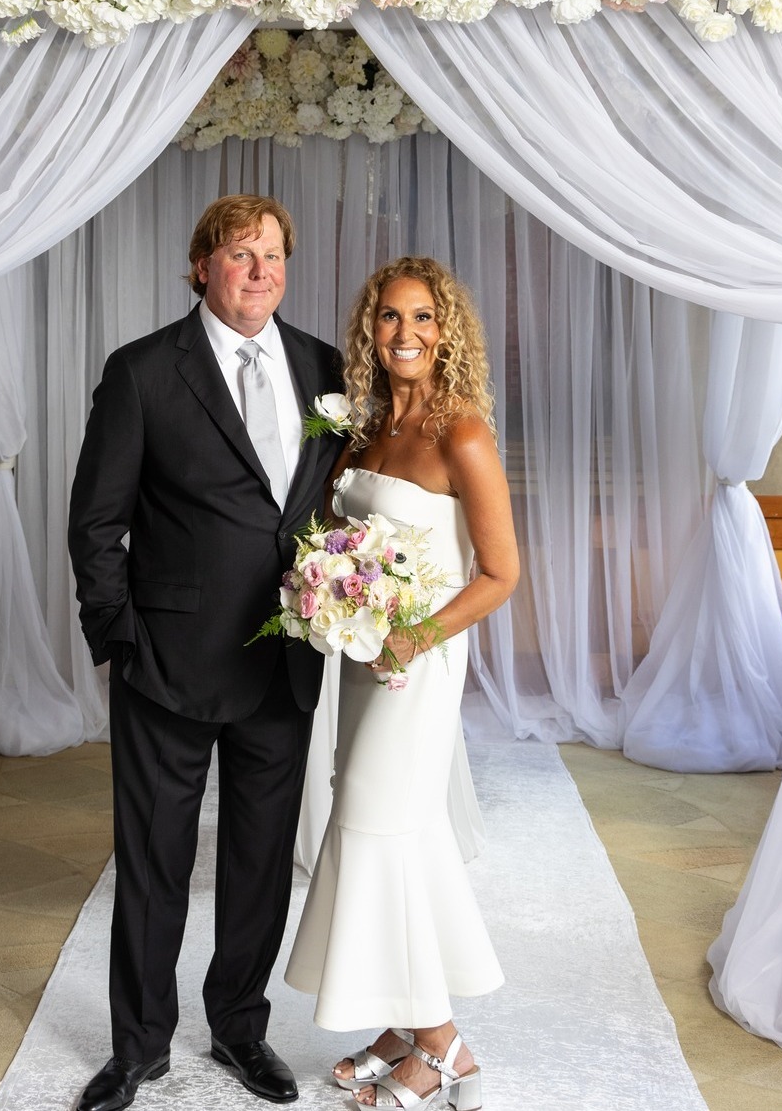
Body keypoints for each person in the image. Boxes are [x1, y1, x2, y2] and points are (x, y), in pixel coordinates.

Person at [67, 195, 343, 1111]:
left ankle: (239, 1028)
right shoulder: (144, 370)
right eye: (238, 254)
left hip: (284, 657)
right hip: (167, 662)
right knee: (153, 862)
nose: (259, 271)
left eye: (273, 255)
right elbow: (95, 522)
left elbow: (325, 502)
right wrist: (119, 637)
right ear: (201, 266)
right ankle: (138, 1047)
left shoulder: (324, 369)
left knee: (260, 861)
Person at [285, 256, 520, 1110]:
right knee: (380, 829)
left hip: (416, 667)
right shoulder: (363, 431)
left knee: (381, 827)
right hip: (359, 662)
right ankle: (400, 1025)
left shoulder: (463, 434)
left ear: (445, 329)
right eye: (389, 316)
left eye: (422, 317)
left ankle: (443, 1045)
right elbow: (333, 542)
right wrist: (326, 597)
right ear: (370, 330)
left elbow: (499, 573)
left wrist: (412, 637)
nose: (405, 332)